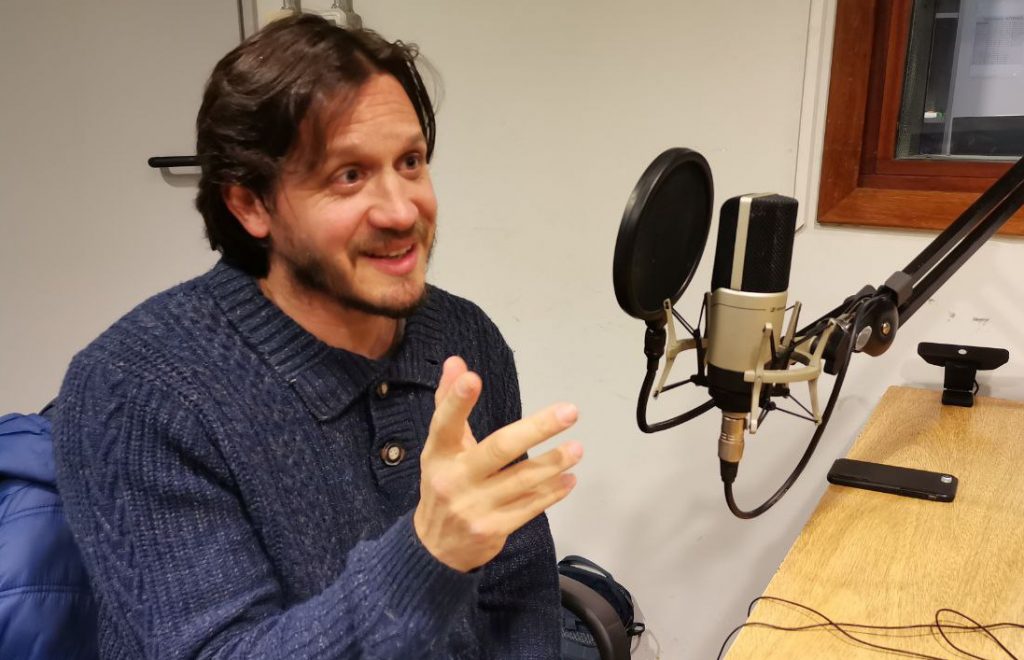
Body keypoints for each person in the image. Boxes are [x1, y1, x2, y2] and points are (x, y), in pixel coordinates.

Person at [53, 15, 582, 659]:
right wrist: (429, 555)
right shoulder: (134, 392)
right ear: (251, 205)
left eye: (410, 162)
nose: (402, 210)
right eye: (348, 175)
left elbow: (518, 593)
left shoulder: (463, 338)